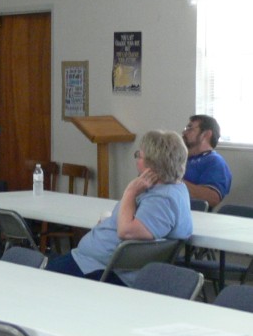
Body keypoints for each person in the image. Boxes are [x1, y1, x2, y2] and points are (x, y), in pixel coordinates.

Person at [45, 130, 193, 285]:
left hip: (102, 270)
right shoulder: (167, 189)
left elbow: (126, 232)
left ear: (153, 164)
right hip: (91, 262)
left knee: (40, 280)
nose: (136, 160)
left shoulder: (162, 200)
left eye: (139, 155)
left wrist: (130, 191)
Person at [182, 114, 232, 209]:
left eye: (190, 128)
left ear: (206, 134)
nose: (184, 132)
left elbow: (212, 198)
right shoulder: (180, 159)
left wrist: (174, 182)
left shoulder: (214, 162)